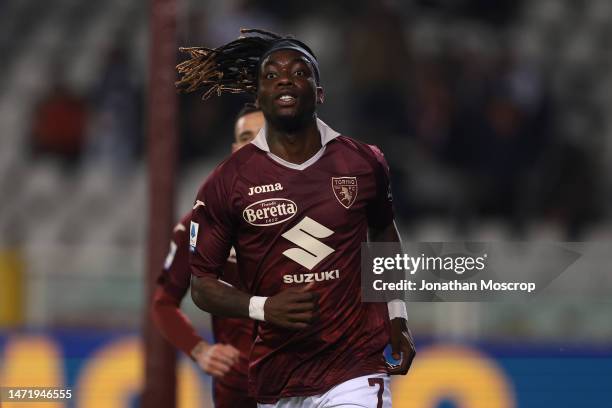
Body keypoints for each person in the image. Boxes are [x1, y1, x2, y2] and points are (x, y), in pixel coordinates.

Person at [177, 29, 416, 407]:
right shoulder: (226, 183)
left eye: (299, 72)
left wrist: (397, 314)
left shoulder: (363, 162)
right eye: (271, 75)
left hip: (353, 367)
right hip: (278, 376)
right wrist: (263, 307)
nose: (285, 79)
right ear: (258, 96)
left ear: (319, 92)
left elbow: (383, 230)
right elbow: (202, 285)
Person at [152, 103, 265, 408]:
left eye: (265, 136)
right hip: (238, 395)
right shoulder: (202, 224)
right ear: (234, 149)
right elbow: (163, 302)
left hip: (311, 388)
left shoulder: (319, 210)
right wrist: (200, 350)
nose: (254, 145)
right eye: (246, 137)